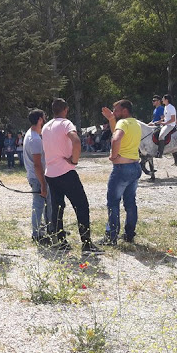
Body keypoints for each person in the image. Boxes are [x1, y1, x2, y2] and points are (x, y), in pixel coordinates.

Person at [42, 98, 103, 255]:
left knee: (57, 208)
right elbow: (76, 141)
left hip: (51, 172)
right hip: (66, 171)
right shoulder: (66, 124)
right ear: (66, 109)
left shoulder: (46, 127)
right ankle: (86, 244)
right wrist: (74, 160)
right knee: (81, 205)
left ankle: (60, 241)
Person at [99, 100, 142, 245]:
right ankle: (129, 234)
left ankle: (111, 236)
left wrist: (113, 155)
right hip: (135, 166)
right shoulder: (135, 123)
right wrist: (111, 119)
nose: (114, 112)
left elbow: (115, 138)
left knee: (113, 202)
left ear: (124, 111)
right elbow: (115, 132)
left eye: (116, 110)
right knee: (130, 203)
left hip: (121, 169)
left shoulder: (123, 123)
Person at [23, 109, 53, 245]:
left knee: (44, 204)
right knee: (39, 205)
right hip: (37, 177)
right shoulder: (34, 139)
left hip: (35, 176)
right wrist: (43, 184)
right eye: (44, 117)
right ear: (40, 119)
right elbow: (37, 164)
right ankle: (37, 234)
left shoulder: (31, 135)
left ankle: (48, 229)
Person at [156, 94, 176, 158]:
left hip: (170, 125)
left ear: (166, 100)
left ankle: (160, 153)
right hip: (165, 124)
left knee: (161, 136)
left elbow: (173, 119)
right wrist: (159, 121)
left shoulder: (171, 107)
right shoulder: (165, 107)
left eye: (163, 99)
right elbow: (165, 117)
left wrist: (165, 123)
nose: (162, 100)